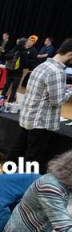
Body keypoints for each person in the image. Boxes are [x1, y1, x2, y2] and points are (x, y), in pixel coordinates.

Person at [7, 38, 72, 174]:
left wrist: (63, 87)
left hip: (29, 116)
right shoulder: (57, 71)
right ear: (70, 54)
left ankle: (6, 176)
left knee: (18, 149)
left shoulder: (42, 65)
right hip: (41, 121)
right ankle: (22, 184)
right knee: (32, 157)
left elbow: (43, 91)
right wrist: (69, 91)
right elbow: (57, 100)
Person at [1, 37, 27, 103]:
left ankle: (0, 100)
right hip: (17, 73)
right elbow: (24, 63)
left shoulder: (13, 49)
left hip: (9, 71)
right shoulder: (23, 52)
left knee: (6, 86)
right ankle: (10, 102)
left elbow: (6, 56)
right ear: (24, 44)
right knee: (14, 89)